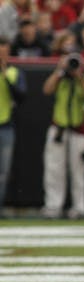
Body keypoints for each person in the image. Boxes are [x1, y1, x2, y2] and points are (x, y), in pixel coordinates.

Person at [41, 51, 84, 219]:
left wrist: (79, 76)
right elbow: (47, 89)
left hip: (79, 128)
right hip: (59, 127)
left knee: (78, 170)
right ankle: (53, 206)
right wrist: (59, 70)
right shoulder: (60, 77)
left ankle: (79, 207)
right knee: (54, 168)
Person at [0, 35, 25, 218]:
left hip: (6, 125)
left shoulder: (14, 73)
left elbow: (21, 96)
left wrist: (5, 75)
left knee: (3, 172)